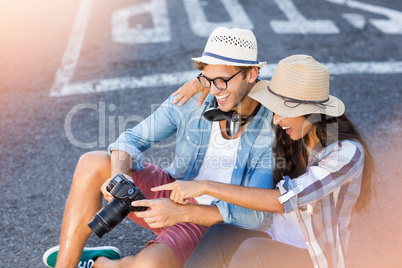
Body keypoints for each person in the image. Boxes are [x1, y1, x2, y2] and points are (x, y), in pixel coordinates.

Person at [43, 27, 276, 268]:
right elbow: (129, 140)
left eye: (222, 80)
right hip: (175, 194)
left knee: (148, 265)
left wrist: (182, 213)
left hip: (215, 221)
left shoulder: (271, 125)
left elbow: (254, 215)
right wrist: (119, 176)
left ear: (251, 74)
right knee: (92, 162)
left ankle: (101, 263)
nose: (213, 91)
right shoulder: (193, 99)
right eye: (207, 79)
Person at [153, 55, 375, 268]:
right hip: (273, 242)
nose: (275, 119)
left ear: (311, 111)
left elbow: (283, 200)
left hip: (313, 259)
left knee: (253, 249)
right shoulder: (293, 135)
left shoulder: (346, 154)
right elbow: (243, 77)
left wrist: (206, 186)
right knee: (220, 233)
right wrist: (211, 83)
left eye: (281, 112)